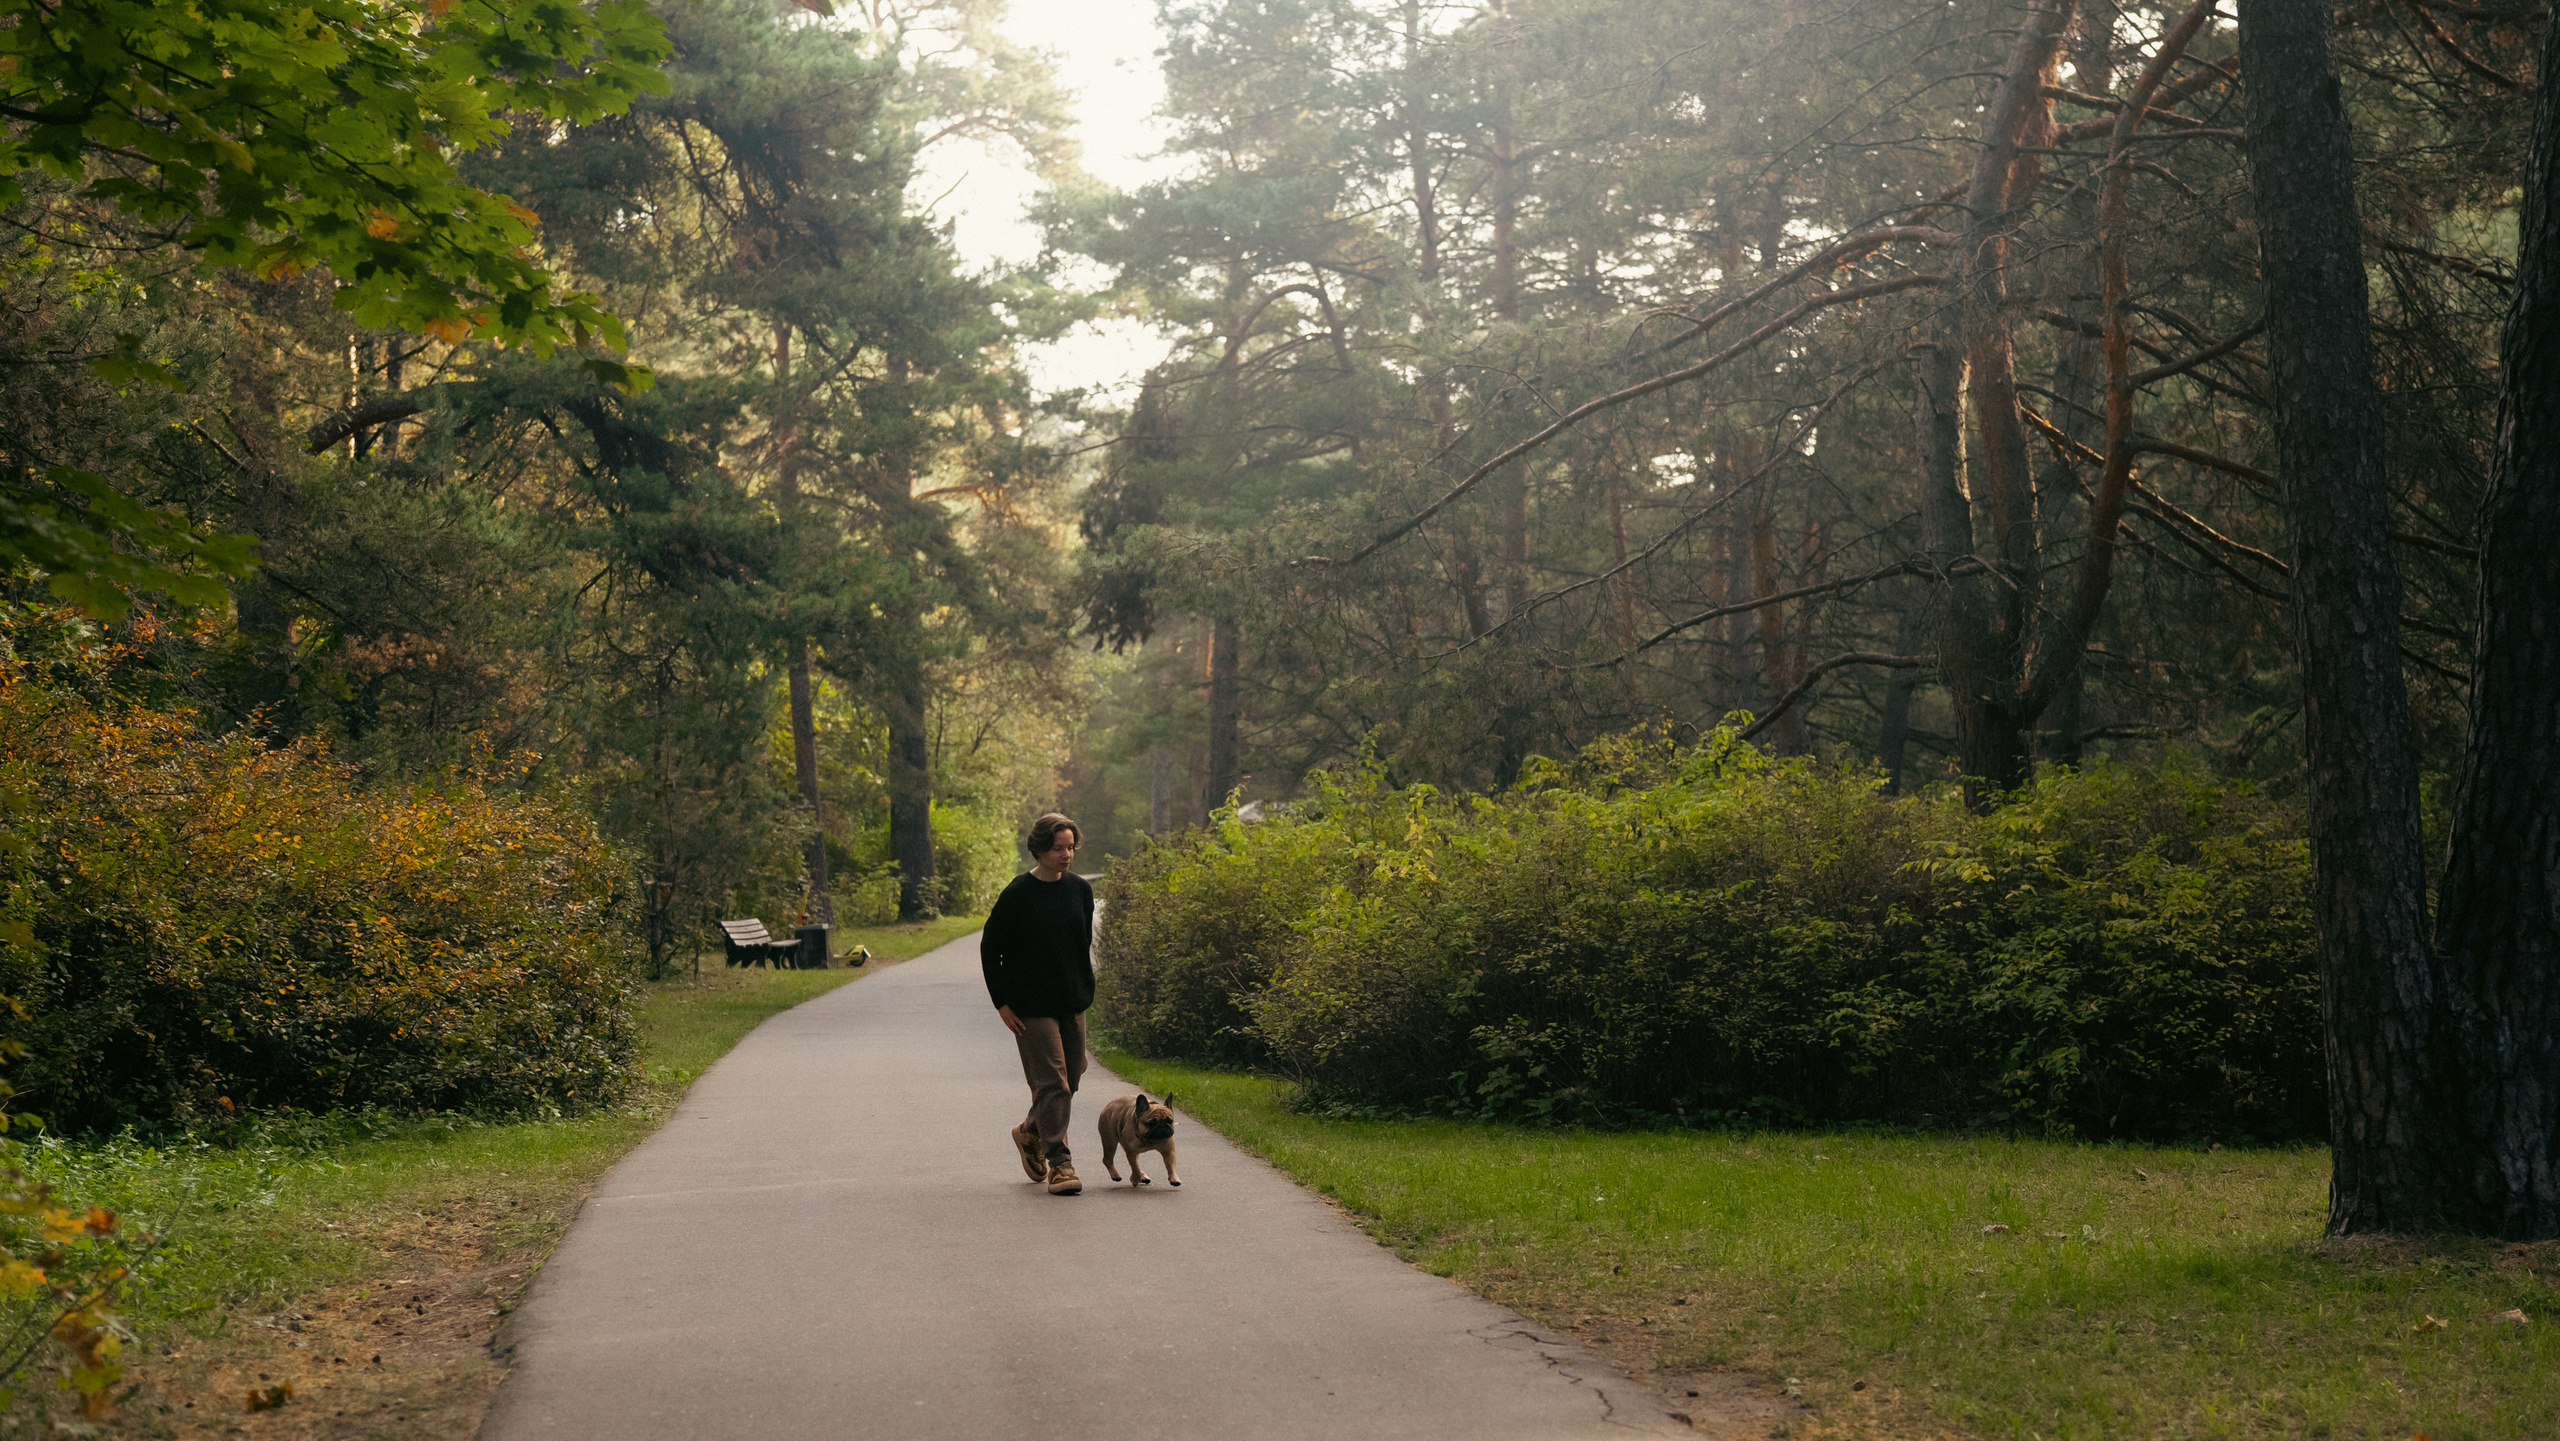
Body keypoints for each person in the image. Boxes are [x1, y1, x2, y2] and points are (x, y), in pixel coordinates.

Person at [980, 812, 1096, 1195]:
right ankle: (1060, 1163)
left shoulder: (1080, 890)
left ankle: (1030, 1131)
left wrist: (1084, 991)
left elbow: (1079, 947)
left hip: (1071, 1001)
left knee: (1073, 1076)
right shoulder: (1018, 894)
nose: (1066, 855)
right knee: (1052, 1082)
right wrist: (1003, 1003)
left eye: (1070, 848)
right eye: (1058, 848)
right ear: (1040, 849)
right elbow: (990, 948)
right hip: (1031, 1005)